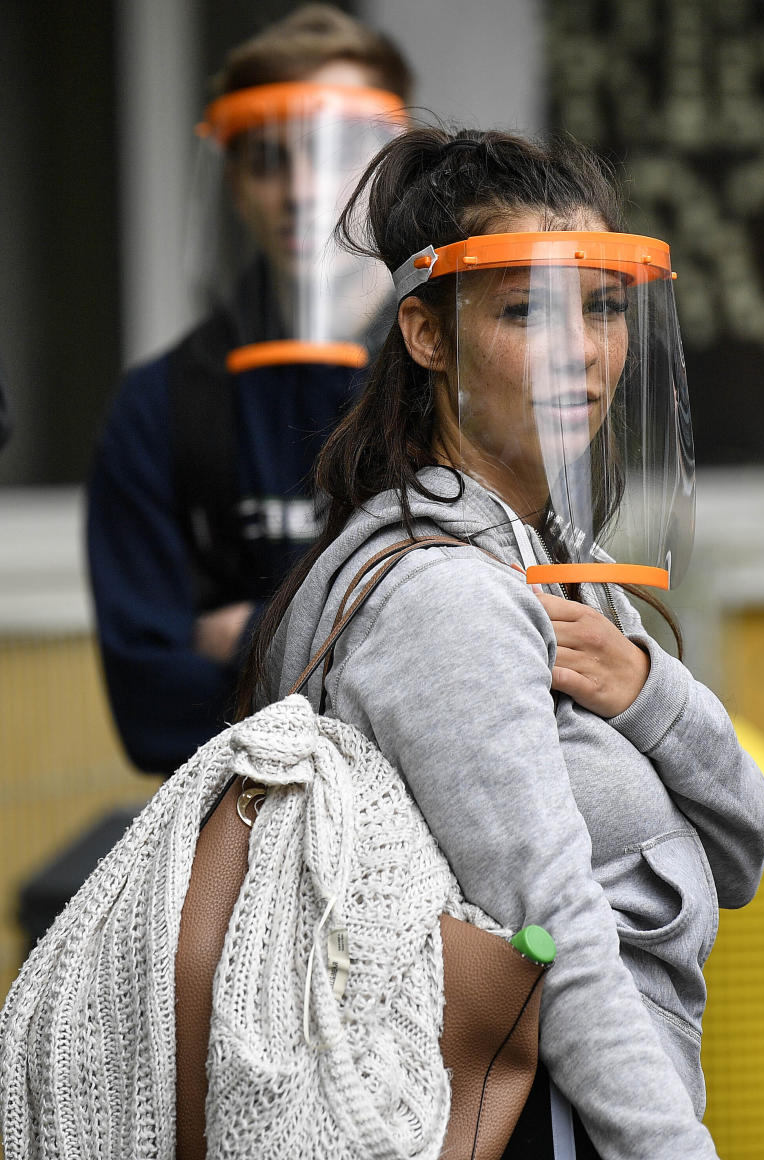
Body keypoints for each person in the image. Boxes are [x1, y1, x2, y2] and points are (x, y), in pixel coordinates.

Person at [237, 126, 764, 1158]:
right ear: (427, 335)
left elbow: (742, 845)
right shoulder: (447, 597)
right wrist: (672, 1147)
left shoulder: (549, 560)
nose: (583, 347)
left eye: (603, 306)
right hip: (532, 1123)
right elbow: (556, 932)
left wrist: (650, 691)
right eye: (528, 308)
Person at [86, 5, 411, 773]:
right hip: (230, 833)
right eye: (269, 159)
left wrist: (242, 635)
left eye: (335, 153)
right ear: (233, 182)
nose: (302, 190)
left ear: (392, 165)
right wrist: (377, 645)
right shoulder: (160, 407)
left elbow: (502, 651)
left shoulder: (457, 374)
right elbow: (150, 715)